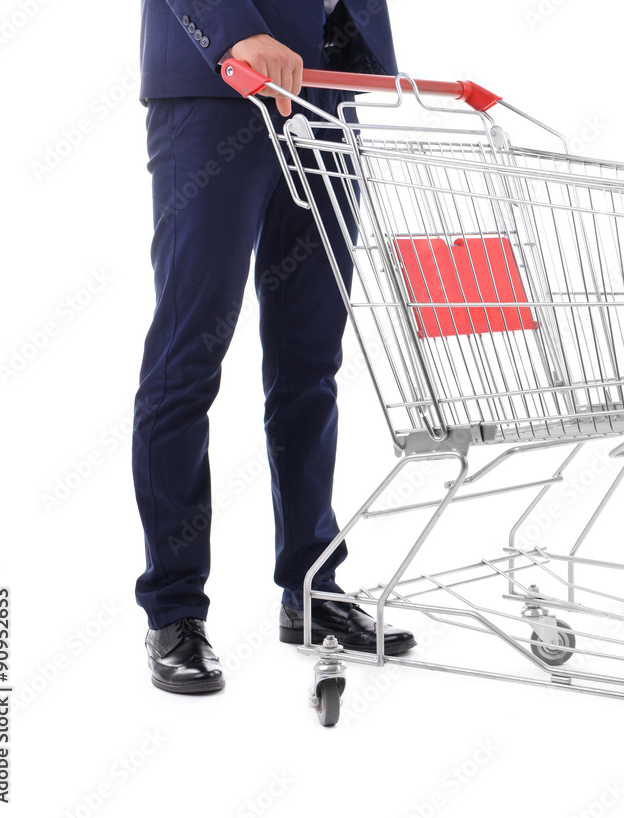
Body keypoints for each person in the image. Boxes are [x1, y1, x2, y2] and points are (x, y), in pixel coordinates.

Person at [134, 0, 414, 694]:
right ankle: (173, 611)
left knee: (312, 362)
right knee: (188, 355)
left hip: (326, 86)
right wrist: (239, 33)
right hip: (220, 87)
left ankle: (312, 587)